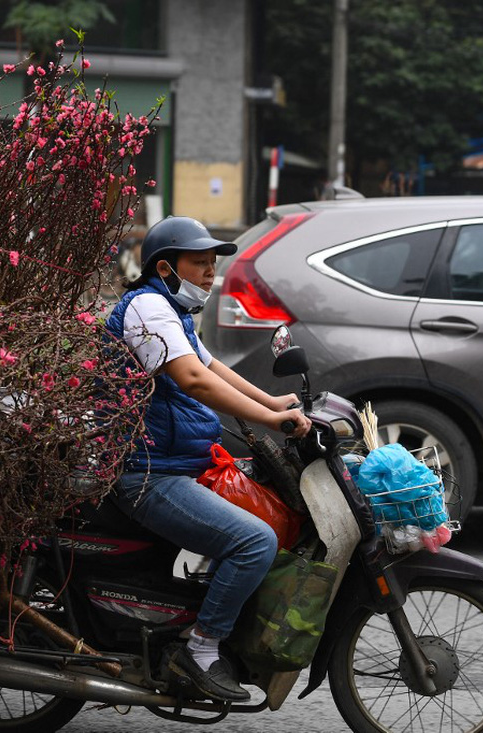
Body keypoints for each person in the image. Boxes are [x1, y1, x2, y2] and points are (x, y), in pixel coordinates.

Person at [105, 216, 312, 702]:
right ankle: (198, 650)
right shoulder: (148, 309)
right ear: (165, 267)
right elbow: (194, 381)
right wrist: (270, 420)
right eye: (199, 263)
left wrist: (274, 403)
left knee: (267, 510)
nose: (209, 273)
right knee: (254, 542)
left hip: (177, 463)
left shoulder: (172, 312)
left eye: (213, 264)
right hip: (149, 474)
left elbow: (211, 366)